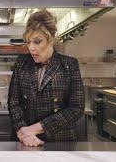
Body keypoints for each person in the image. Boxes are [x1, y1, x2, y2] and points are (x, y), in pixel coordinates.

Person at [8, 10, 84, 147]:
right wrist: (23, 131)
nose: (31, 48)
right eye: (28, 42)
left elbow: (76, 108)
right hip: (25, 141)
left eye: (37, 42)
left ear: (51, 39)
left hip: (59, 141)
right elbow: (14, 101)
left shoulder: (69, 65)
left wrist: (35, 129)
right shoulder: (21, 63)